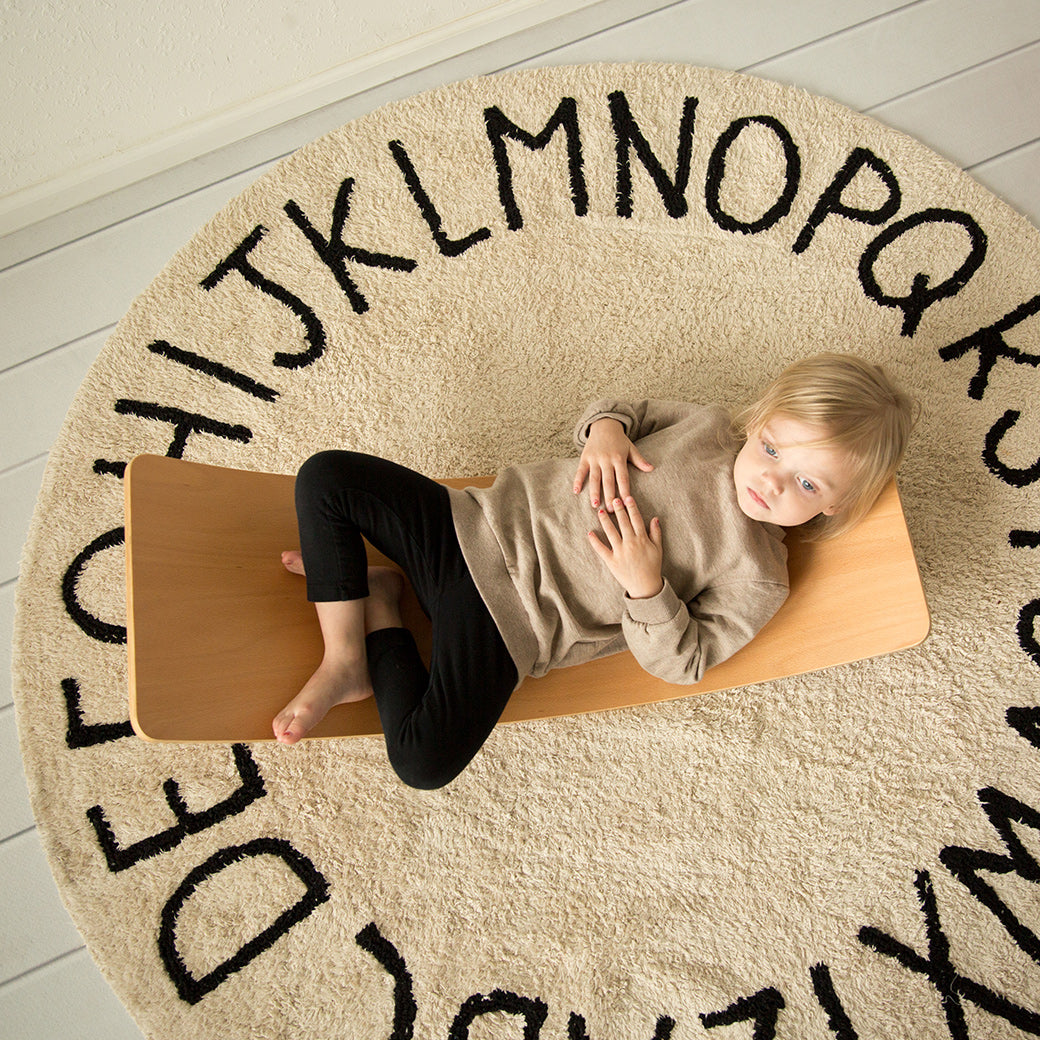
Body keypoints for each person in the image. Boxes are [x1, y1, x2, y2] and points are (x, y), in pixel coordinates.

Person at [274, 353, 915, 788]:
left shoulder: (759, 572)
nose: (771, 481)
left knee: (421, 761)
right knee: (326, 477)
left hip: (510, 627)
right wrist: (606, 430)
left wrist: (647, 588)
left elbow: (686, 661)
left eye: (807, 483)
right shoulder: (707, 427)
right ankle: (345, 658)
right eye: (772, 448)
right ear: (758, 421)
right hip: (474, 525)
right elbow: (624, 409)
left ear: (835, 506)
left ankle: (381, 609)